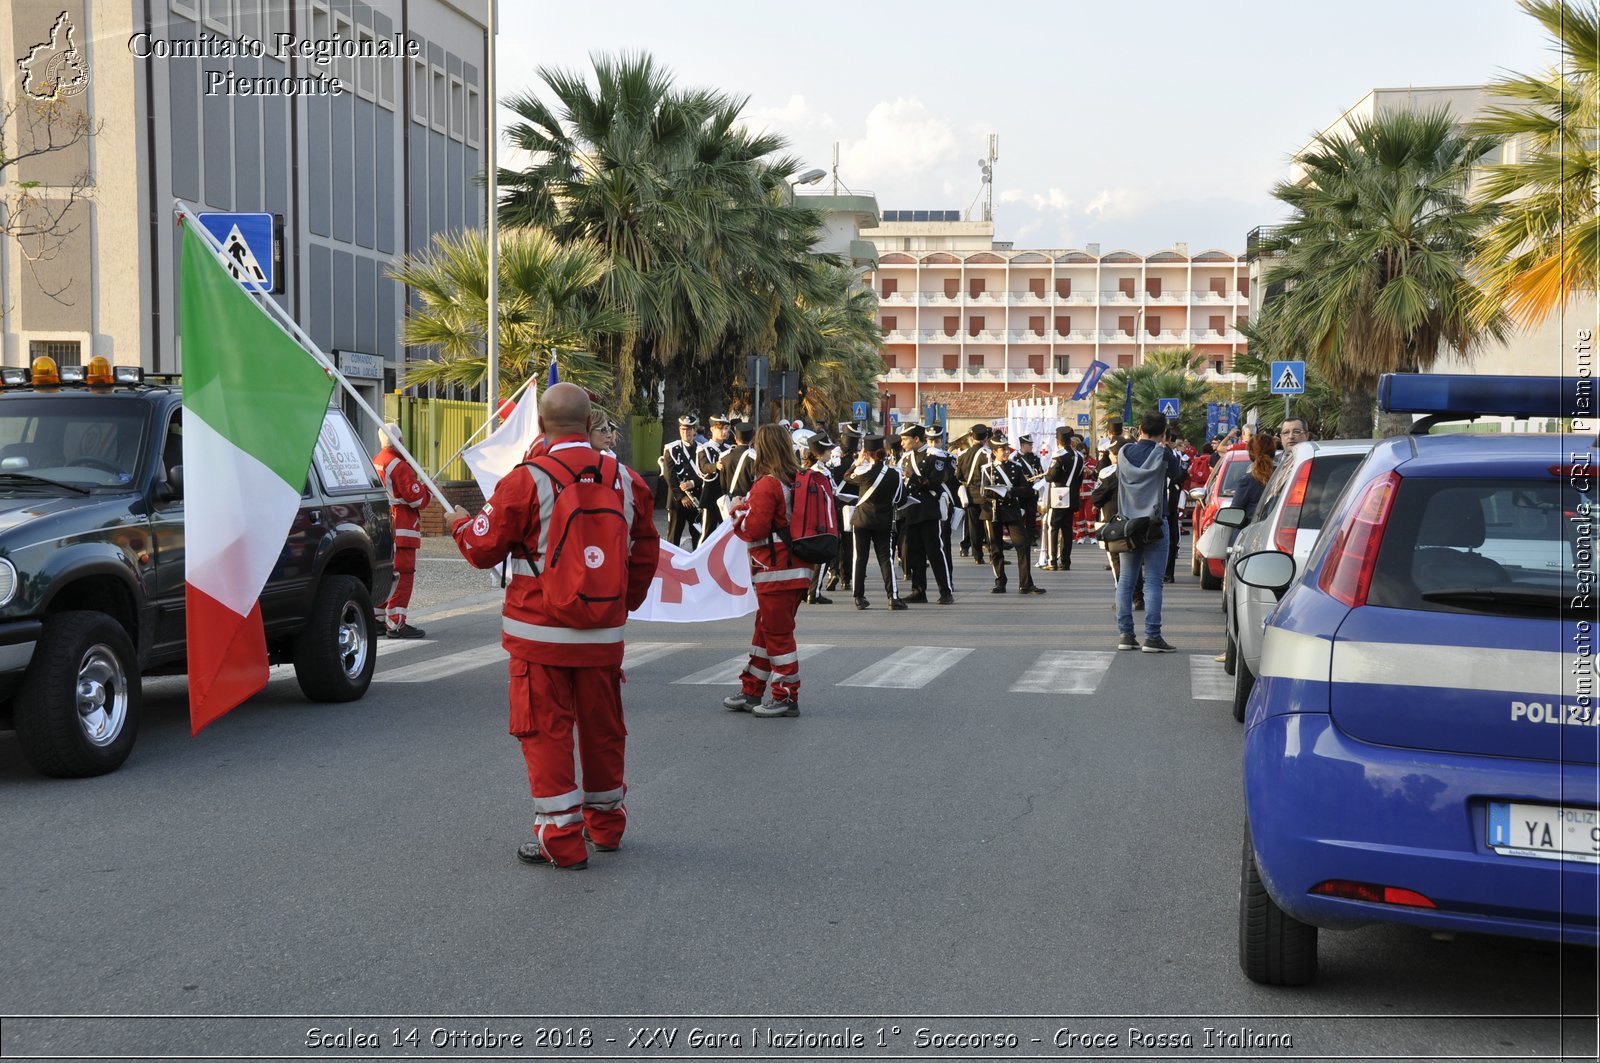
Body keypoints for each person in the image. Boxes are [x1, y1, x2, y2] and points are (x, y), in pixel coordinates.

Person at [446, 383, 660, 869]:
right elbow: (646, 553)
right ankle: (606, 828)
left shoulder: (526, 480)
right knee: (604, 730)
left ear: (542, 426)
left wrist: (461, 523)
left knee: (546, 734)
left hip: (538, 637)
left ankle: (560, 839)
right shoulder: (627, 480)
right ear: (589, 425)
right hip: (603, 638)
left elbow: (483, 550)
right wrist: (618, 607)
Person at [723, 423, 817, 718]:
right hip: (798, 568)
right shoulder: (795, 479)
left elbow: (754, 528)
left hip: (775, 571)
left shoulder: (766, 484)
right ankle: (751, 690)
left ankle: (786, 695)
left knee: (777, 635)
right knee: (766, 631)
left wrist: (736, 509)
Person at [1112, 411, 1185, 652]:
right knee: (1153, 582)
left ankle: (1126, 635)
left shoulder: (1123, 452)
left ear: (1140, 428)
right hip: (1155, 522)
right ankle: (1152, 637)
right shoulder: (1163, 453)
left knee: (1125, 581)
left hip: (1128, 524)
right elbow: (1178, 474)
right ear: (1164, 432)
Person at [373, 422, 428, 638]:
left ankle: (377, 619)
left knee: (385, 574)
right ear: (400, 440)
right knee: (403, 574)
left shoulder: (376, 460)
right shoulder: (399, 465)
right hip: (402, 525)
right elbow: (417, 499)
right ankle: (396, 623)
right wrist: (428, 490)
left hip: (382, 523)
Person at [897, 423, 956, 604]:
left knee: (935, 552)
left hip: (928, 511)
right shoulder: (905, 459)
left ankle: (946, 591)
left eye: (905, 439)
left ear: (916, 439)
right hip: (911, 510)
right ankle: (918, 591)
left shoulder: (934, 456)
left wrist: (913, 476)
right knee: (915, 553)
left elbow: (935, 483)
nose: (902, 443)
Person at [847, 435, 907, 610]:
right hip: (884, 520)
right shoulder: (895, 473)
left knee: (860, 558)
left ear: (866, 453)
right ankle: (893, 597)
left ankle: (859, 597)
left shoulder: (862, 472)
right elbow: (900, 499)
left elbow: (846, 477)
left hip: (861, 520)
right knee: (885, 558)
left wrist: (857, 462)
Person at [982, 432, 1044, 595]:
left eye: (1007, 449)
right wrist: (995, 492)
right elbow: (983, 491)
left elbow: (1026, 490)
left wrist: (1009, 491)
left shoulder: (1016, 467)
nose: (1007, 452)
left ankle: (1026, 583)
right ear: (995, 452)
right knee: (996, 549)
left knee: (1023, 545)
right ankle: (1000, 582)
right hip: (993, 511)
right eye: (1002, 450)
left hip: (1011, 510)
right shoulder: (986, 469)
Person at [1043, 426, 1086, 570]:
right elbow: (1080, 478)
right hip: (1073, 495)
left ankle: (1052, 561)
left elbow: (1052, 476)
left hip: (1058, 495)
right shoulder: (1080, 456)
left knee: (1053, 527)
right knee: (1067, 529)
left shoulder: (1058, 455)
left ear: (1058, 441)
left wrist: (1046, 474)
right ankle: (1065, 561)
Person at [660, 414, 701, 549]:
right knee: (674, 537)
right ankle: (672, 567)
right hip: (677, 501)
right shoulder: (671, 449)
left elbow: (705, 473)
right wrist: (681, 496)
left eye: (689, 429)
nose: (686, 432)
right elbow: (669, 475)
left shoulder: (701, 449)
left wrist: (694, 483)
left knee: (698, 536)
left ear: (694, 430)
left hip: (696, 499)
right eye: (683, 429)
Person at [955, 424, 993, 563]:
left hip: (969, 495)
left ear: (972, 437)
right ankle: (991, 554)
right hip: (984, 495)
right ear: (986, 437)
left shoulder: (963, 455)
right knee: (988, 526)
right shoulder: (987, 454)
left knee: (974, 526)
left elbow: (959, 476)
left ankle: (977, 556)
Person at [695, 414, 733, 535]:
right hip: (711, 496)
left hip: (726, 496)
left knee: (727, 534)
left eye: (726, 428)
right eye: (720, 428)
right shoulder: (704, 448)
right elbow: (703, 468)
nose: (724, 431)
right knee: (707, 533)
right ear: (712, 429)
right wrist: (715, 466)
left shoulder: (729, 448)